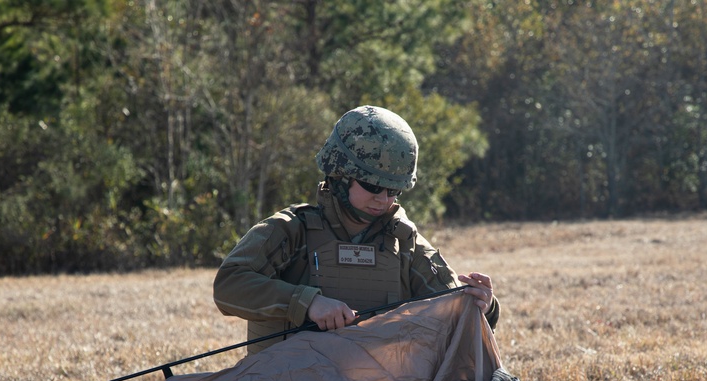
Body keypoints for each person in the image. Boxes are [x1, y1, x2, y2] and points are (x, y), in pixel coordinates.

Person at [213, 105, 500, 354]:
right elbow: (229, 286)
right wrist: (306, 303)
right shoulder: (292, 230)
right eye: (373, 186)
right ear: (340, 175)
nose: (383, 199)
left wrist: (483, 305)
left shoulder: (403, 242)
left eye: (393, 190)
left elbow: (451, 308)